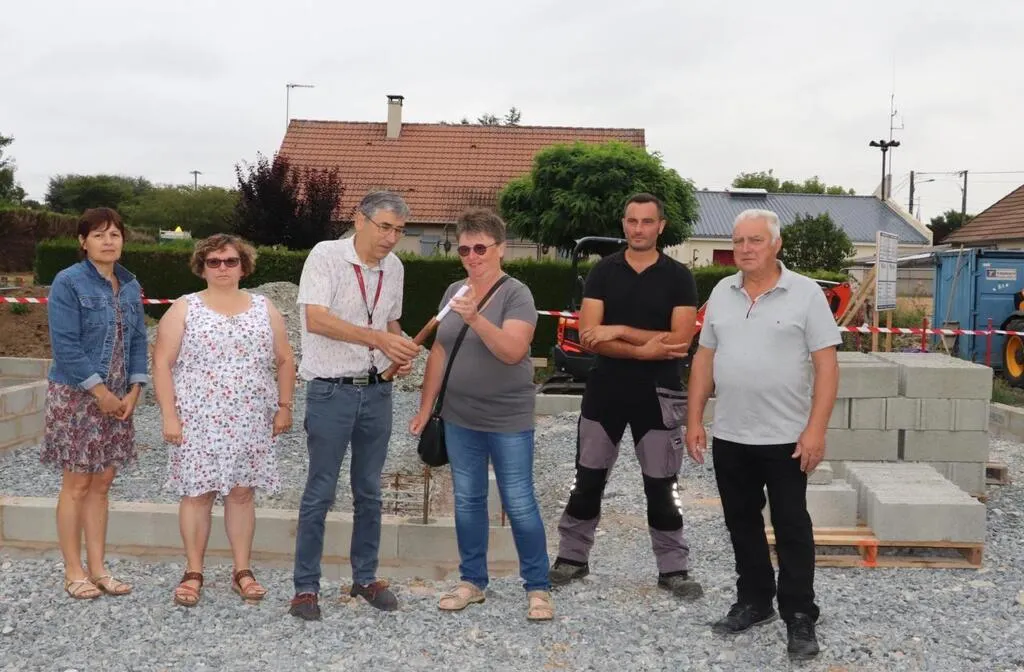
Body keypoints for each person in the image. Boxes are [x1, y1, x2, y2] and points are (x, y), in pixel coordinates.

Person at [685, 208, 841, 661]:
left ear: (776, 244)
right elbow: (704, 359)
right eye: (738, 241)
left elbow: (827, 366)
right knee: (741, 522)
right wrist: (695, 420)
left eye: (755, 240)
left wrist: (816, 429)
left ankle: (800, 612)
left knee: (791, 526)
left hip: (787, 437)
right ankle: (755, 601)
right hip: (732, 434)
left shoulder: (806, 294)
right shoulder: (722, 292)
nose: (745, 249)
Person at [548, 193, 703, 600]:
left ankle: (673, 568)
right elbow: (588, 336)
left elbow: (680, 341)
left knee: (662, 485)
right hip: (605, 392)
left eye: (647, 221)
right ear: (624, 224)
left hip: (659, 396)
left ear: (660, 226)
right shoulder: (603, 272)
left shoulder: (679, 277)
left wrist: (619, 331)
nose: (639, 229)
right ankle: (572, 557)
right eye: (632, 221)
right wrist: (643, 350)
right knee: (587, 479)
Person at [409, 208, 554, 622]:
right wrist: (425, 408)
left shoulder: (517, 294)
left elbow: (513, 350)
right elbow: (440, 351)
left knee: (519, 501)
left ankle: (538, 587)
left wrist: (474, 318)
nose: (471, 257)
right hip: (459, 416)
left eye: (480, 249)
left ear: (500, 249)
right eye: (464, 250)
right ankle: (472, 581)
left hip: (508, 418)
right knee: (468, 500)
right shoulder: (453, 291)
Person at [289, 191, 419, 621]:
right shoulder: (326, 255)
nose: (391, 238)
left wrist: (398, 348)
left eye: (399, 231)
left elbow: (390, 320)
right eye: (385, 227)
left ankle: (365, 577)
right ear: (359, 220)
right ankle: (305, 587)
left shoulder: (394, 267)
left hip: (377, 392)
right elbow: (316, 319)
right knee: (320, 491)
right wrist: (378, 339)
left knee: (369, 490)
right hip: (331, 390)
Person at [151, 234, 295, 607]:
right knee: (197, 494)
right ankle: (193, 571)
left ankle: (242, 570)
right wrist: (169, 415)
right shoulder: (184, 309)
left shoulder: (265, 308)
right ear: (201, 267)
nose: (222, 268)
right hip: (197, 420)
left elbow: (284, 359)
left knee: (242, 493)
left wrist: (284, 405)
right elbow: (162, 364)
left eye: (230, 261)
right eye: (213, 262)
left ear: (243, 266)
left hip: (250, 420)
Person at [41, 207, 148, 599]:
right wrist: (100, 392)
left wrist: (135, 389)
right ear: (83, 242)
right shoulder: (68, 282)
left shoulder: (130, 285)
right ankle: (74, 570)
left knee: (103, 482)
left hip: (118, 398)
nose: (108, 241)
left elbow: (138, 341)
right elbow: (65, 345)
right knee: (77, 483)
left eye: (115, 234)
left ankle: (99, 568)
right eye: (99, 235)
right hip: (77, 396)